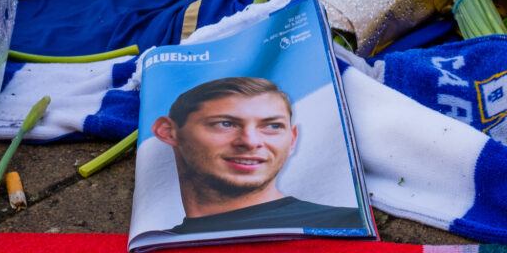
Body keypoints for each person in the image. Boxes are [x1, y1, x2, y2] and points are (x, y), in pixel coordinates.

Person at [150, 76, 362, 234]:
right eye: (225, 124)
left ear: (292, 139)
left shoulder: (348, 224)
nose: (251, 142)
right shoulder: (153, 243)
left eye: (272, 126)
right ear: (168, 132)